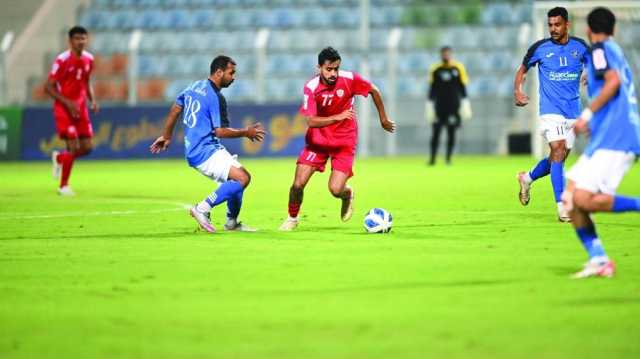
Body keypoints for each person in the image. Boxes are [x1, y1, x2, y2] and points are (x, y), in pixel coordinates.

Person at [279, 47, 396, 231]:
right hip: (317, 142)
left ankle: (346, 194)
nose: (333, 73)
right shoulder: (311, 88)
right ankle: (292, 218)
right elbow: (310, 121)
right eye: (329, 69)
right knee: (297, 184)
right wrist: (338, 117)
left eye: (336, 69)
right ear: (319, 67)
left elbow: (374, 90)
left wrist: (383, 119)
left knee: (335, 189)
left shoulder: (349, 79)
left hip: (344, 141)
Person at [562, 7, 640, 278]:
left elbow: (613, 82)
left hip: (617, 139)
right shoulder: (613, 50)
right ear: (614, 29)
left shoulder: (598, 50)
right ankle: (599, 260)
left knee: (583, 199)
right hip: (609, 136)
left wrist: (587, 114)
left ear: (587, 30)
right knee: (570, 199)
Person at [150, 55, 265, 233]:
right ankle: (202, 208)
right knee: (243, 178)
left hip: (198, 149)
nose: (233, 77)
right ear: (219, 72)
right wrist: (245, 132)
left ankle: (231, 223)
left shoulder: (194, 86)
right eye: (231, 73)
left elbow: (175, 108)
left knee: (238, 176)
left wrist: (166, 135)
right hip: (205, 150)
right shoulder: (215, 97)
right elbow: (220, 131)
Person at [514, 7, 589, 222]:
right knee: (557, 150)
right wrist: (518, 90)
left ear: (567, 24)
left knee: (557, 158)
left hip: (572, 111)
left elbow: (595, 65)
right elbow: (522, 70)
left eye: (557, 24)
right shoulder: (540, 48)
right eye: (550, 25)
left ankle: (527, 178)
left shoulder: (580, 47)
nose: (553, 29)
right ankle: (563, 207)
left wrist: (589, 74)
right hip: (550, 111)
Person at [46, 26, 98, 196]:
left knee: (88, 147)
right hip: (64, 109)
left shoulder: (89, 59)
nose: (81, 41)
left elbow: (86, 81)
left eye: (83, 38)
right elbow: (49, 87)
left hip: (81, 108)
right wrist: (67, 103)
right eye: (77, 38)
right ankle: (63, 186)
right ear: (70, 41)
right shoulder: (62, 60)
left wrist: (92, 100)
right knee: (73, 146)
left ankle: (60, 158)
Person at [425, 46, 471, 166]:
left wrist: (465, 103)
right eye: (443, 53)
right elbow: (432, 89)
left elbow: (463, 87)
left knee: (451, 132)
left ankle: (448, 159)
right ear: (441, 55)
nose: (445, 55)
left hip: (453, 107)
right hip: (439, 107)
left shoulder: (458, 68)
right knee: (436, 133)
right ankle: (432, 159)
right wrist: (429, 104)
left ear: (451, 54)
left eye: (447, 53)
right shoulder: (435, 69)